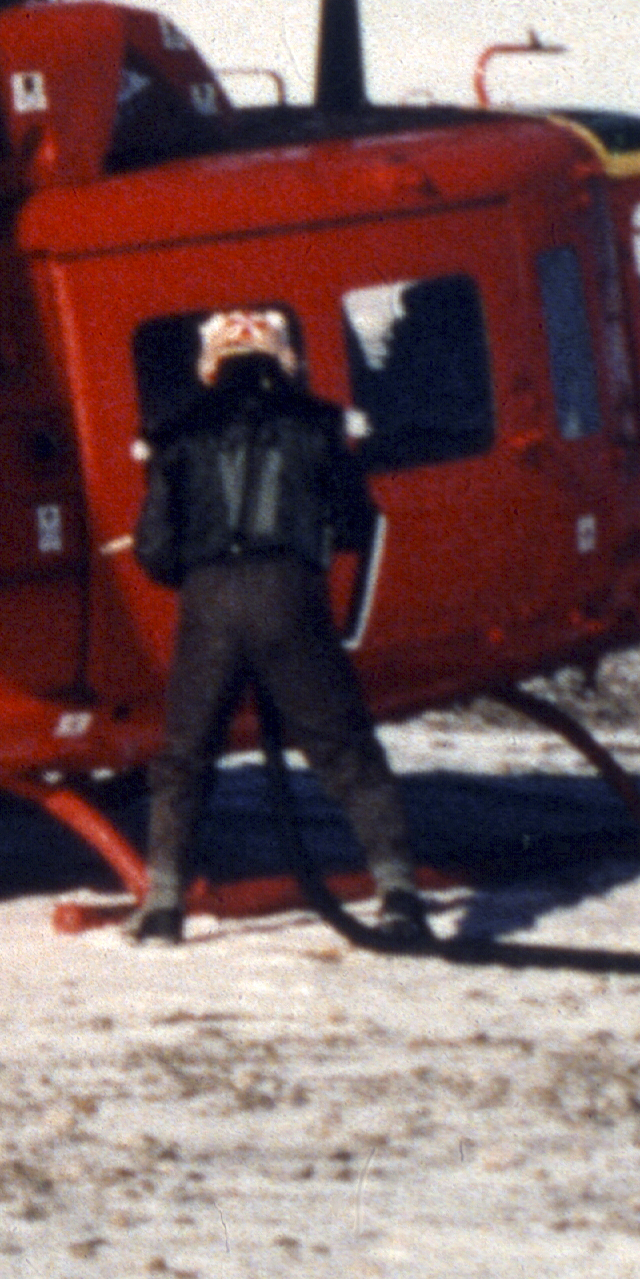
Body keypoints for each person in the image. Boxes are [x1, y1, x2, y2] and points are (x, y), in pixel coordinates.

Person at [125, 308, 430, 948]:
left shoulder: (174, 434)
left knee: (184, 757)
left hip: (209, 599)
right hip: (290, 594)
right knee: (345, 748)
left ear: (211, 363)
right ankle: (398, 893)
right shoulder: (320, 425)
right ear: (281, 355)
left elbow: (154, 549)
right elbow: (354, 522)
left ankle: (162, 906)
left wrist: (202, 574)